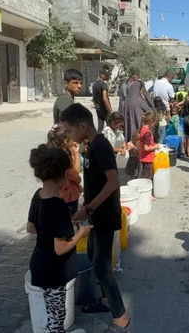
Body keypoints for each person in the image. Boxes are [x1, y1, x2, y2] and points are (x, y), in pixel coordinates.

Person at [59, 103, 130, 332]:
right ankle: (107, 300)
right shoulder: (90, 145)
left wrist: (88, 209)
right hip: (94, 213)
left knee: (101, 268)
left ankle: (120, 317)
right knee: (91, 254)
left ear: (83, 125)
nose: (69, 136)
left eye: (70, 131)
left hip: (104, 215)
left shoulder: (100, 144)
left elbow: (113, 181)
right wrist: (85, 205)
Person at [26, 144, 92, 333]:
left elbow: (31, 228)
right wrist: (81, 233)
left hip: (39, 262)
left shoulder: (37, 197)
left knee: (53, 311)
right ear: (63, 175)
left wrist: (58, 229)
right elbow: (60, 249)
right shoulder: (59, 206)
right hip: (53, 270)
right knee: (57, 317)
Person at [47, 124, 83, 217]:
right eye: (72, 137)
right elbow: (76, 176)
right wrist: (76, 153)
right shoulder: (63, 158)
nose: (74, 138)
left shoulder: (52, 154)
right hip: (68, 198)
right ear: (65, 141)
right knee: (72, 223)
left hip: (56, 195)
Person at [124, 76, 155, 140]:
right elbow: (148, 110)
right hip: (137, 124)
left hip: (130, 125)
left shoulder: (127, 100)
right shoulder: (138, 99)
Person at [139, 111, 160, 181]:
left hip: (144, 157)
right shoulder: (147, 132)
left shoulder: (143, 129)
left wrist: (154, 144)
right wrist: (156, 147)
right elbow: (146, 148)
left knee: (145, 176)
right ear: (151, 121)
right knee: (147, 179)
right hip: (147, 158)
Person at [92, 68, 113, 133]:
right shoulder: (104, 84)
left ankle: (99, 140)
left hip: (98, 108)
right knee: (111, 127)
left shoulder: (95, 84)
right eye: (106, 75)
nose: (107, 77)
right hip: (105, 109)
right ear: (101, 75)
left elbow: (94, 97)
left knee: (100, 128)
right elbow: (104, 98)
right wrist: (110, 110)